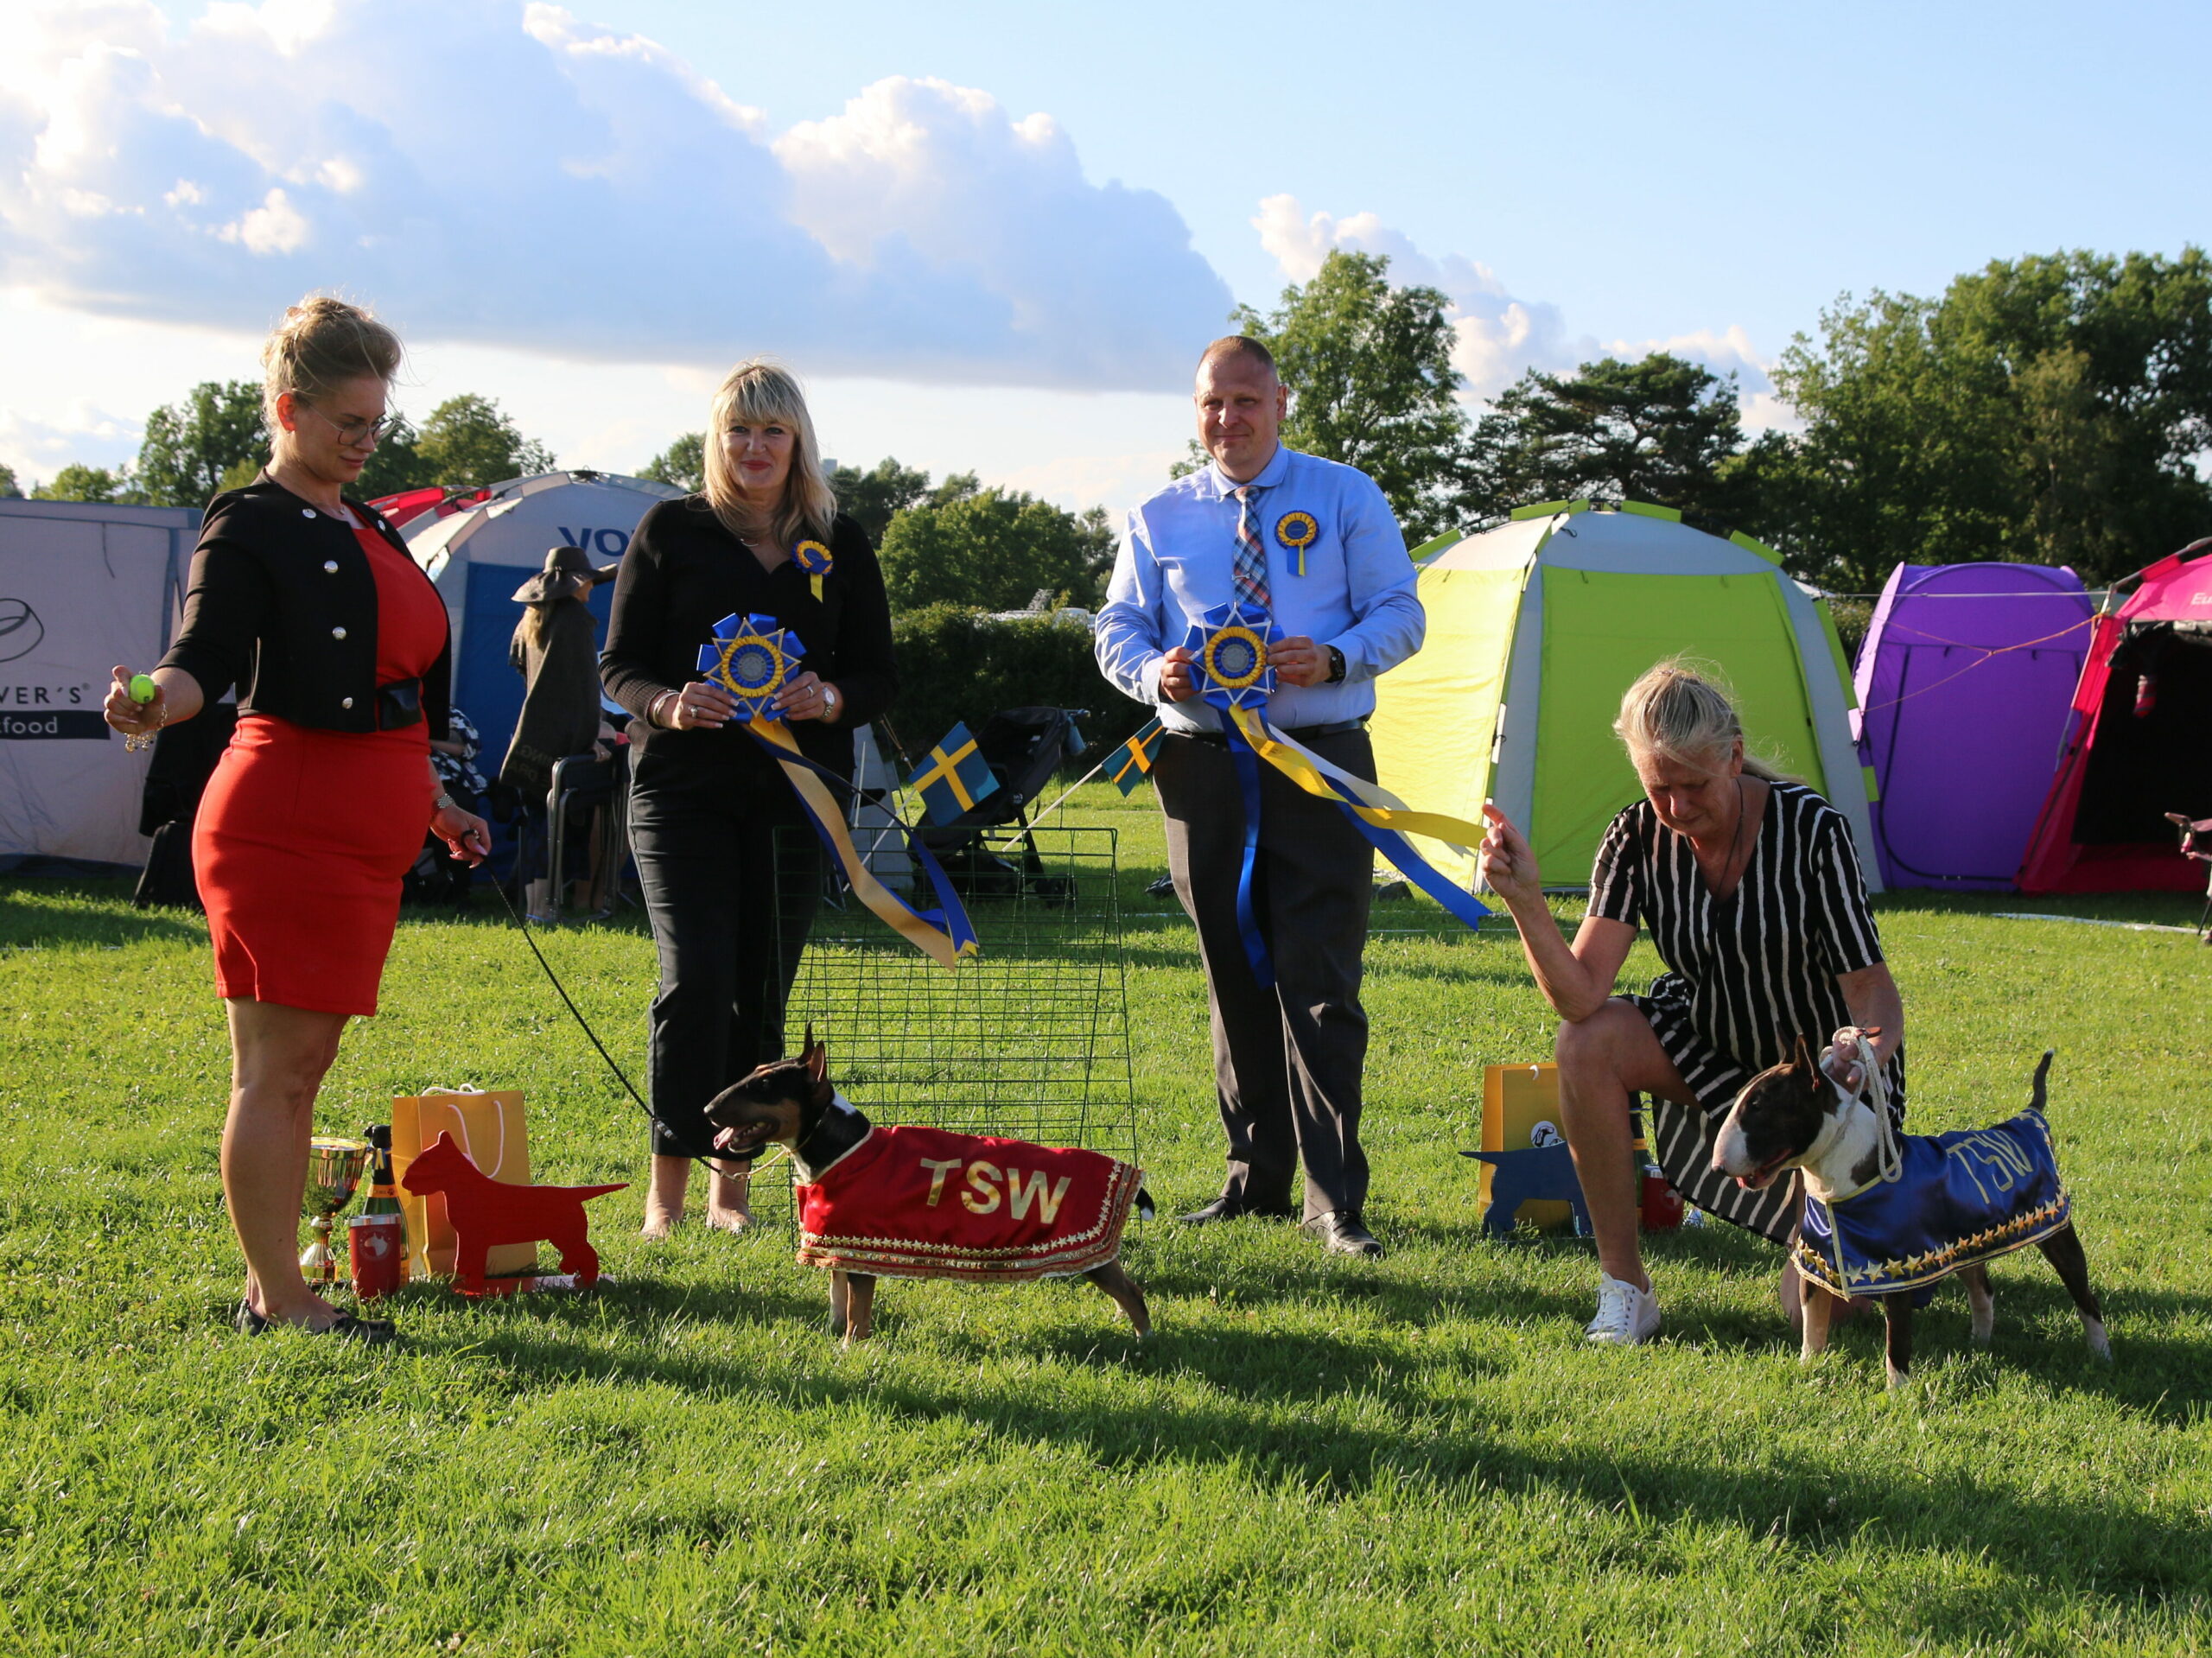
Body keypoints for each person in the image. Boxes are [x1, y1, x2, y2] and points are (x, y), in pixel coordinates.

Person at [102, 295, 489, 1340]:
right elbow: (204, 658)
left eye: (376, 424)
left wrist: (434, 803)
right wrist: (155, 699)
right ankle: (280, 1295)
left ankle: (279, 1283)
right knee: (275, 1072)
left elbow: (389, 688)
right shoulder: (253, 520)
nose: (366, 444)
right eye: (347, 424)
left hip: (370, 810)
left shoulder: (362, 522)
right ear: (288, 407)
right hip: (287, 816)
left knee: (301, 1068)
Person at [1094, 335, 1424, 1257]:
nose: (1227, 419)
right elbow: (1114, 623)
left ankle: (1334, 1199)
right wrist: (1153, 672)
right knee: (1231, 971)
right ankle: (1253, 1180)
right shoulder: (1158, 514)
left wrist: (1336, 656)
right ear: (1193, 412)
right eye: (1211, 404)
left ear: (1281, 401)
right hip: (1202, 769)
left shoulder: (1344, 495)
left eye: (1245, 401)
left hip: (1317, 761)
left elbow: (1402, 609)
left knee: (1318, 979)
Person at [1476, 659, 1905, 1344]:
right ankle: (1625, 1286)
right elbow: (1581, 995)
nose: (1676, 808)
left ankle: (1891, 1234)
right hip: (1712, 1056)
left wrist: (1865, 1056)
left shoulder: (1813, 831)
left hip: (1821, 1092)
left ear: (1734, 756)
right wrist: (1525, 898)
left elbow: (1872, 989)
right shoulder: (1634, 838)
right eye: (1658, 788)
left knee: (1823, 1312)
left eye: (1693, 784)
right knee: (1585, 1042)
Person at [601, 359, 896, 1238]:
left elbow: (878, 674)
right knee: (695, 981)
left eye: (772, 430)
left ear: (797, 440)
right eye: (739, 429)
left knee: (761, 991)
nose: (755, 446)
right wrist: (670, 702)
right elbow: (620, 664)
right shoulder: (669, 530)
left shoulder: (841, 542)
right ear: (715, 440)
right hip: (679, 792)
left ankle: (732, 1191)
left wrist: (830, 698)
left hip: (795, 799)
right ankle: (667, 1196)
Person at [503, 545, 618, 922]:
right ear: (574, 583)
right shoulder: (574, 620)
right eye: (586, 581)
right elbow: (584, 688)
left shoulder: (529, 620)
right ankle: (548, 908)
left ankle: (537, 908)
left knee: (539, 822)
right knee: (560, 823)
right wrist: (592, 735)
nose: (590, 588)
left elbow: (520, 668)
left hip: (529, 736)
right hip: (563, 741)